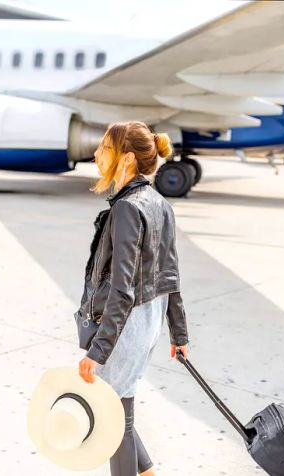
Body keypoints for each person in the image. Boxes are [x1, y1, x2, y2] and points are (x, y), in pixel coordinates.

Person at [77, 121, 190, 476]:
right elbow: (169, 275)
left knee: (114, 420)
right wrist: (179, 334)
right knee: (118, 411)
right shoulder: (160, 203)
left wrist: (99, 351)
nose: (96, 154)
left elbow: (122, 288)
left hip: (125, 325)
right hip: (147, 321)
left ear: (125, 159)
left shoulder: (127, 208)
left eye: (104, 149)